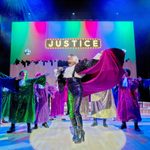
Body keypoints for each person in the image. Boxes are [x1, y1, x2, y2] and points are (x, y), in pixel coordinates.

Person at [57, 48, 125, 143]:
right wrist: (59, 77)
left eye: (71, 57)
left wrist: (100, 55)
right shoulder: (65, 70)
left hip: (77, 90)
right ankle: (76, 131)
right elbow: (62, 84)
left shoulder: (79, 66)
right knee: (71, 113)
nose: (69, 58)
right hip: (70, 91)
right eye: (68, 57)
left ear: (76, 59)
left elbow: (91, 63)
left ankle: (80, 132)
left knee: (76, 111)